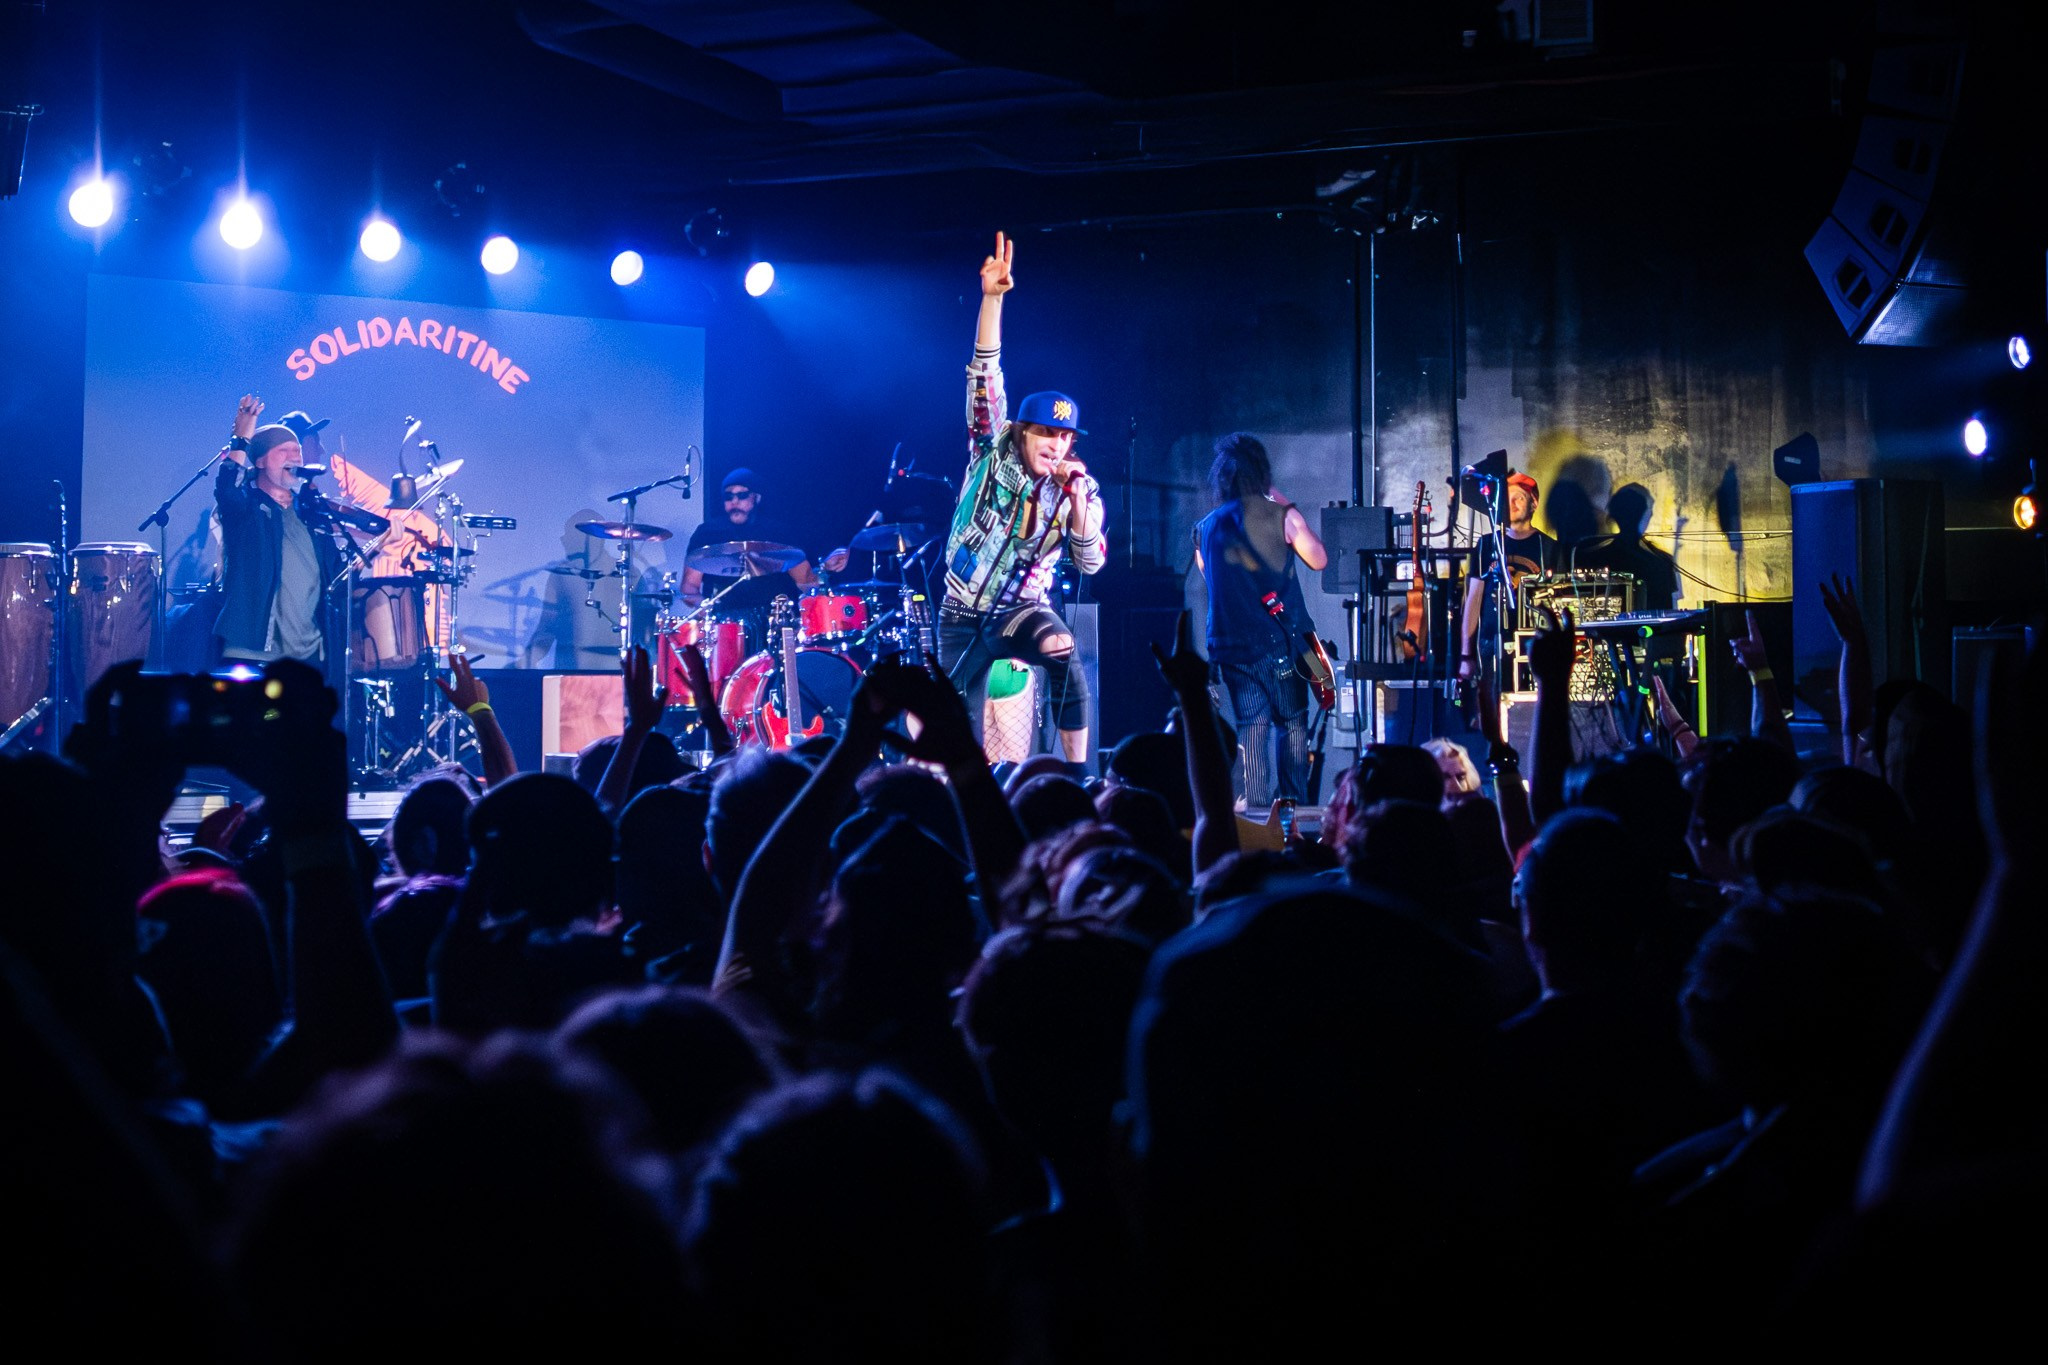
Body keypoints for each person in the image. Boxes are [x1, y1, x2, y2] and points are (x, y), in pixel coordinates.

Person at [939, 231, 1107, 765]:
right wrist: (993, 298)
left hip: (1018, 612)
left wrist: (1078, 503)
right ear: (1022, 433)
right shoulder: (990, 452)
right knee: (956, 743)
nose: (1055, 446)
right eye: (1044, 435)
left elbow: (1091, 562)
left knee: (1061, 647)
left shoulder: (1079, 488)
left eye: (1064, 438)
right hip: (961, 611)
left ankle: (1078, 778)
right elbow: (984, 375)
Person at [1192, 432, 1327, 806]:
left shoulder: (1204, 528)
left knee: (1251, 728)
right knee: (1293, 725)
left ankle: (1254, 816)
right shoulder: (1282, 516)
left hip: (1230, 647)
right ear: (1262, 474)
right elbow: (1319, 559)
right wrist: (1282, 500)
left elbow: (1213, 580)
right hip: (1285, 642)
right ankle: (1293, 814)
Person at [215, 394, 346, 668]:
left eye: (297, 451)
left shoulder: (311, 514)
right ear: (260, 461)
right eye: (284, 450)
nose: (295, 457)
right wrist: (240, 439)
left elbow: (337, 575)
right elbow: (227, 490)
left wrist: (379, 546)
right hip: (253, 654)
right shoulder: (247, 509)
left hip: (309, 657)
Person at [1458, 469, 1557, 682]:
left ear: (1534, 503)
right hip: (1491, 645)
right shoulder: (1486, 545)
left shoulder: (1549, 548)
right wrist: (1466, 655)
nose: (1512, 504)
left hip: (1537, 644)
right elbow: (1473, 600)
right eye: (1508, 498)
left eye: (1519, 498)